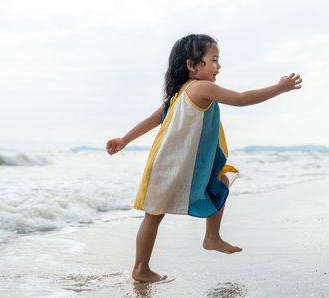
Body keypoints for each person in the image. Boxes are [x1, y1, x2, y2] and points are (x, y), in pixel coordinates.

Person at [106, 34, 302, 283]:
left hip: (185, 164)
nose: (218, 66)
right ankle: (142, 268)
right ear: (192, 65)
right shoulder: (201, 88)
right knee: (154, 215)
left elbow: (151, 120)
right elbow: (241, 99)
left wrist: (125, 139)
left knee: (220, 179)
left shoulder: (179, 93)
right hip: (169, 165)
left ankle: (211, 237)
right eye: (214, 60)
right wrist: (279, 88)